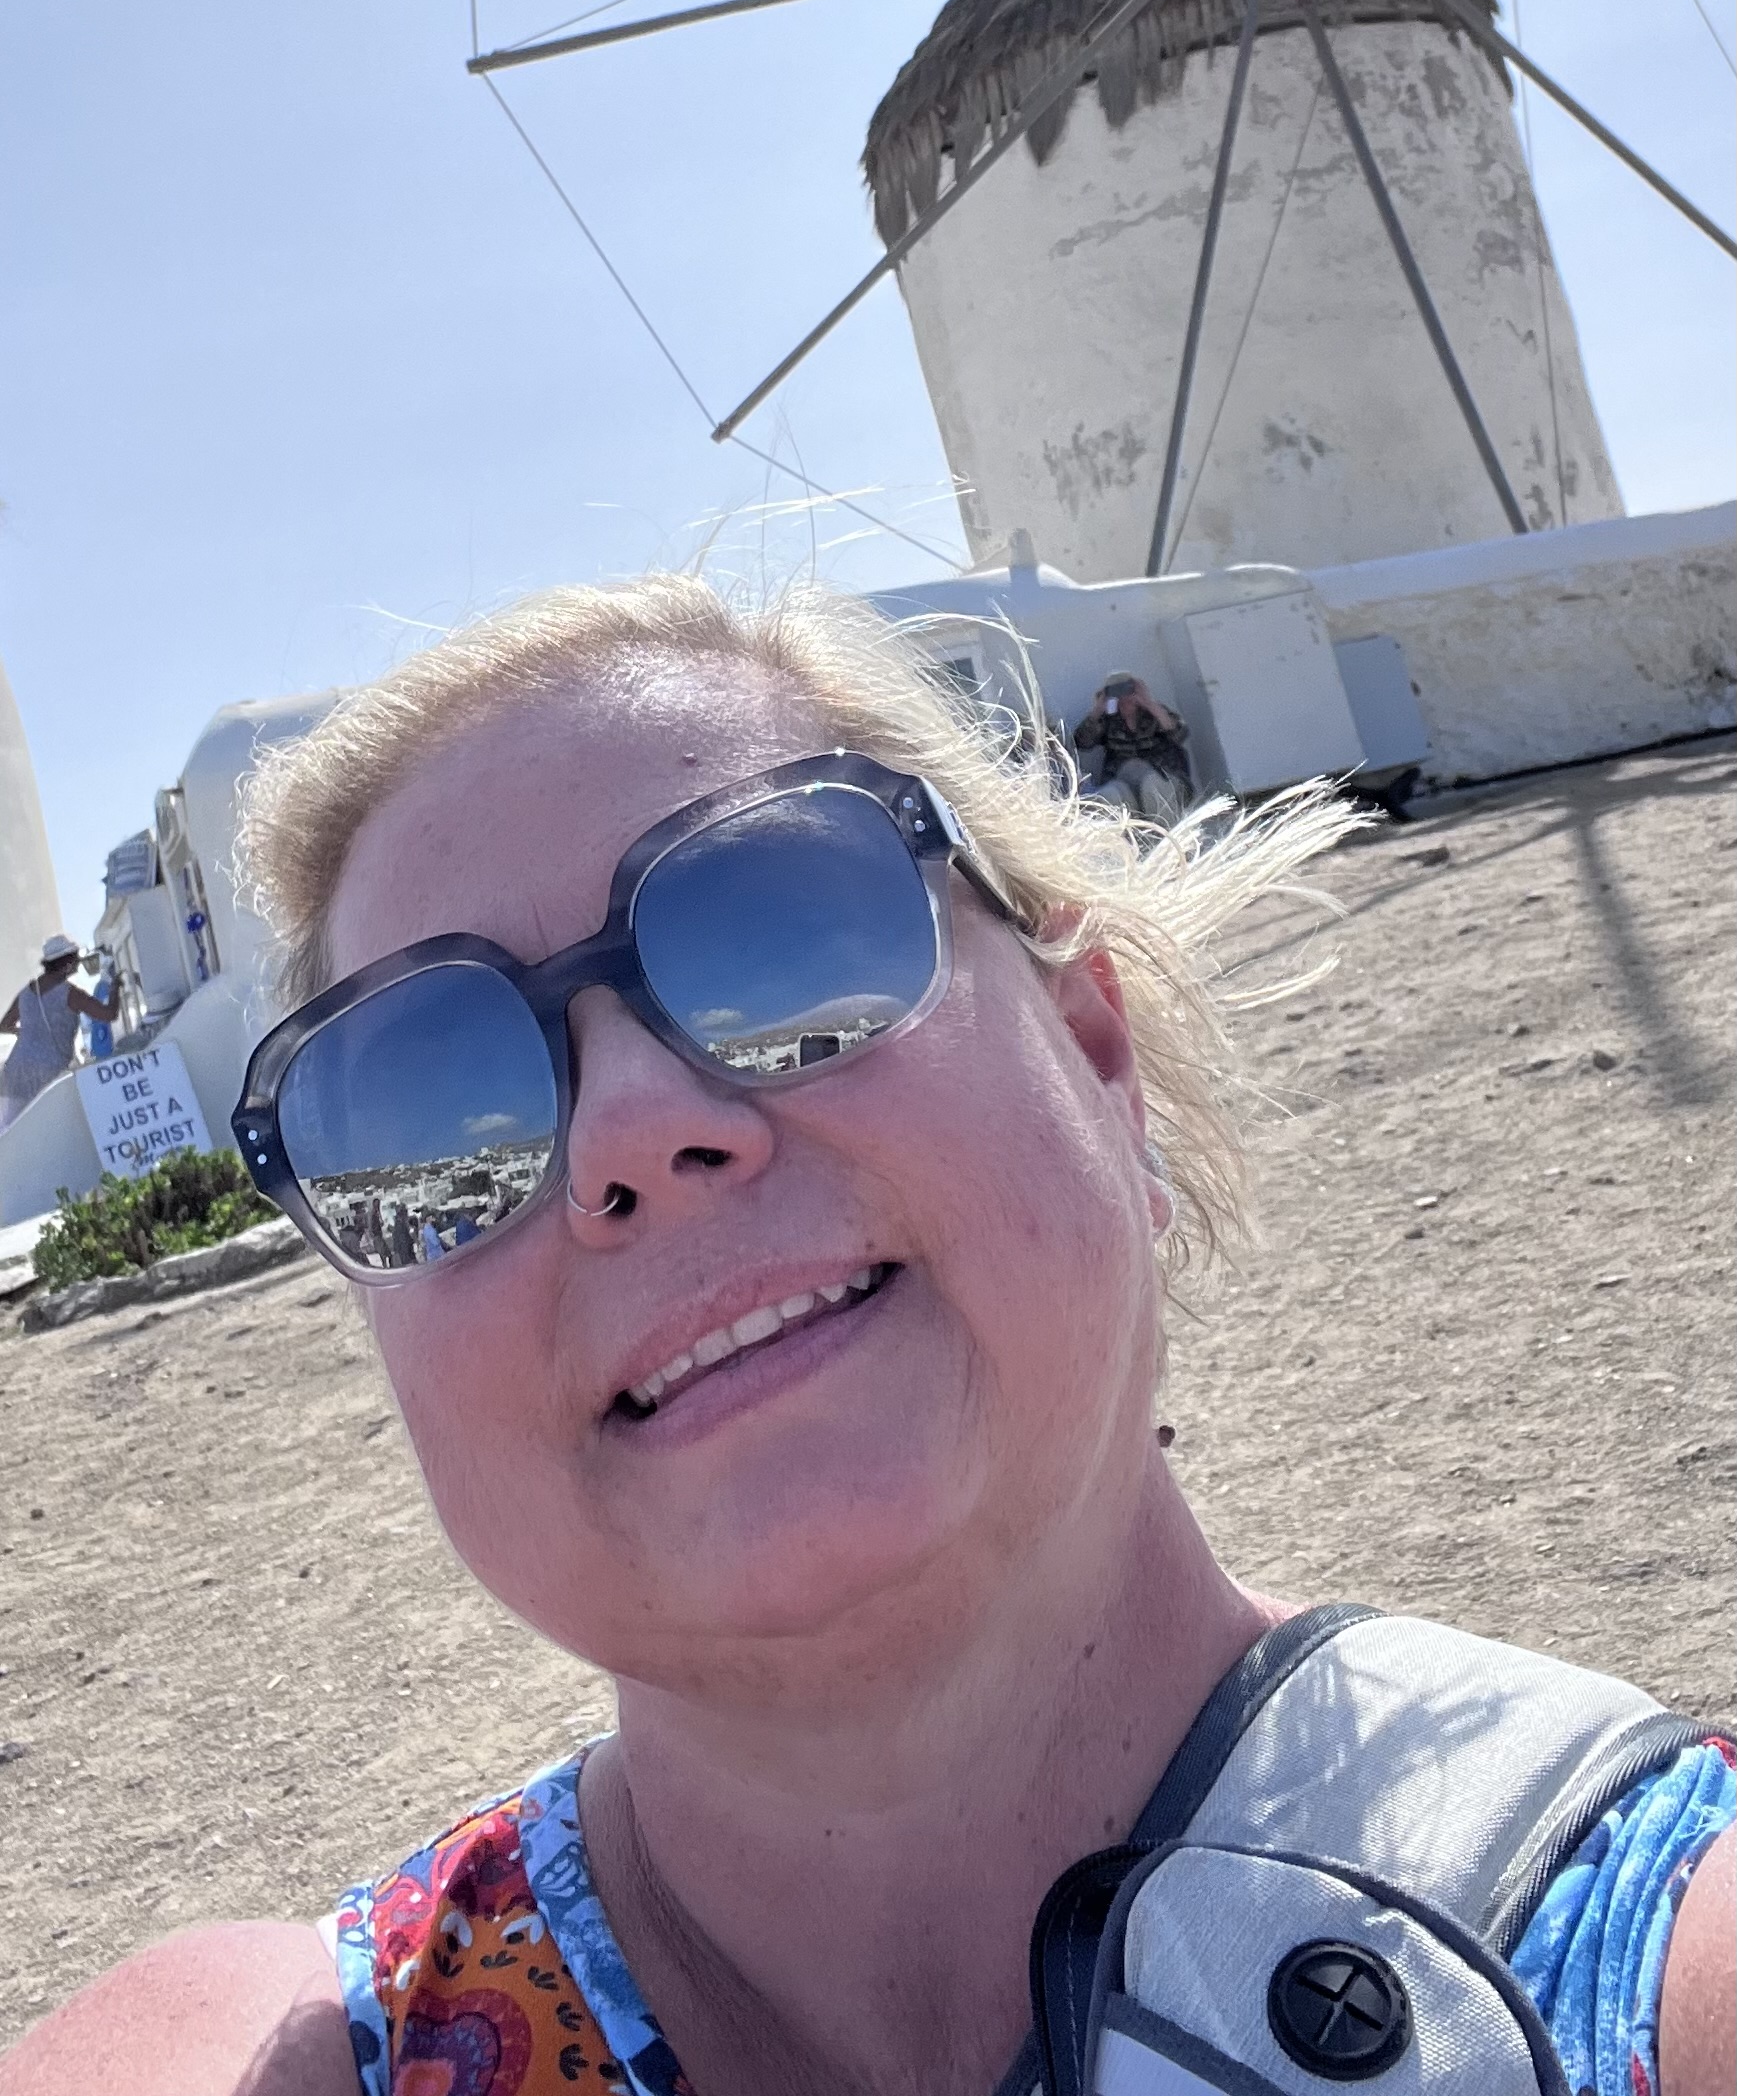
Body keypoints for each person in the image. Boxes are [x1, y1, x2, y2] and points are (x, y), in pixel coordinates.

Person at [2, 575, 1728, 2096]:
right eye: (428, 1109)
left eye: (783, 934)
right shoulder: (258, 2056)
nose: (622, 1130)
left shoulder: (1659, 1958)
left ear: (1091, 1050)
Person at [0, 936, 120, 1135]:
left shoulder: (27, 992)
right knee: (52, 1129)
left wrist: (26, 1033)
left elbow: (4, 1025)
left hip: (18, 1068)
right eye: (76, 959)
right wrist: (115, 989)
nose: (79, 964)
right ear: (67, 963)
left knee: (12, 1130)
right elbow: (109, 1014)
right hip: (50, 1071)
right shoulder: (70, 993)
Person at [1072, 671, 1194, 826]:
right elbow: (1082, 742)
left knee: (1151, 786)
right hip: (1126, 782)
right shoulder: (1107, 720)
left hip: (1163, 779)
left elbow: (1180, 734)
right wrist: (1098, 709)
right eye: (1117, 692)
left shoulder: (1155, 713)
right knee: (1111, 795)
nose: (1124, 698)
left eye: (1127, 690)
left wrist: (1148, 703)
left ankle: (1169, 840)